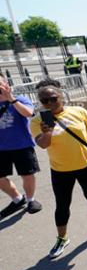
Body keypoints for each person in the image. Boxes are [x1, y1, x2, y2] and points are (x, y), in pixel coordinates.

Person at [30, 79, 87, 258]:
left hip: (86, 164)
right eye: (44, 101)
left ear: (61, 97)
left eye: (53, 98)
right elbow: (43, 145)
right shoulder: (36, 122)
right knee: (62, 204)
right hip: (60, 169)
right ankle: (62, 237)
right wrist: (48, 132)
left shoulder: (79, 112)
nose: (50, 103)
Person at [0, 73, 43, 219]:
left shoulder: (20, 99)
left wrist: (10, 99)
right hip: (1, 148)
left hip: (22, 145)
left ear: (6, 83)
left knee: (27, 175)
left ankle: (30, 199)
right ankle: (17, 199)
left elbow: (28, 113)